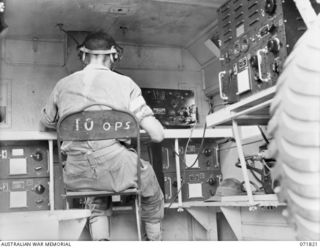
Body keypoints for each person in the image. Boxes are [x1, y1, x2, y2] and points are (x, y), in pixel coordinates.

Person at [40, 31, 165, 241]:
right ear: (114, 56)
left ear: (83, 56)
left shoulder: (62, 85)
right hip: (118, 168)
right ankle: (154, 242)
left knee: (96, 195)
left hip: (76, 174)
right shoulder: (126, 84)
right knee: (151, 190)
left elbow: (46, 123)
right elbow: (157, 135)